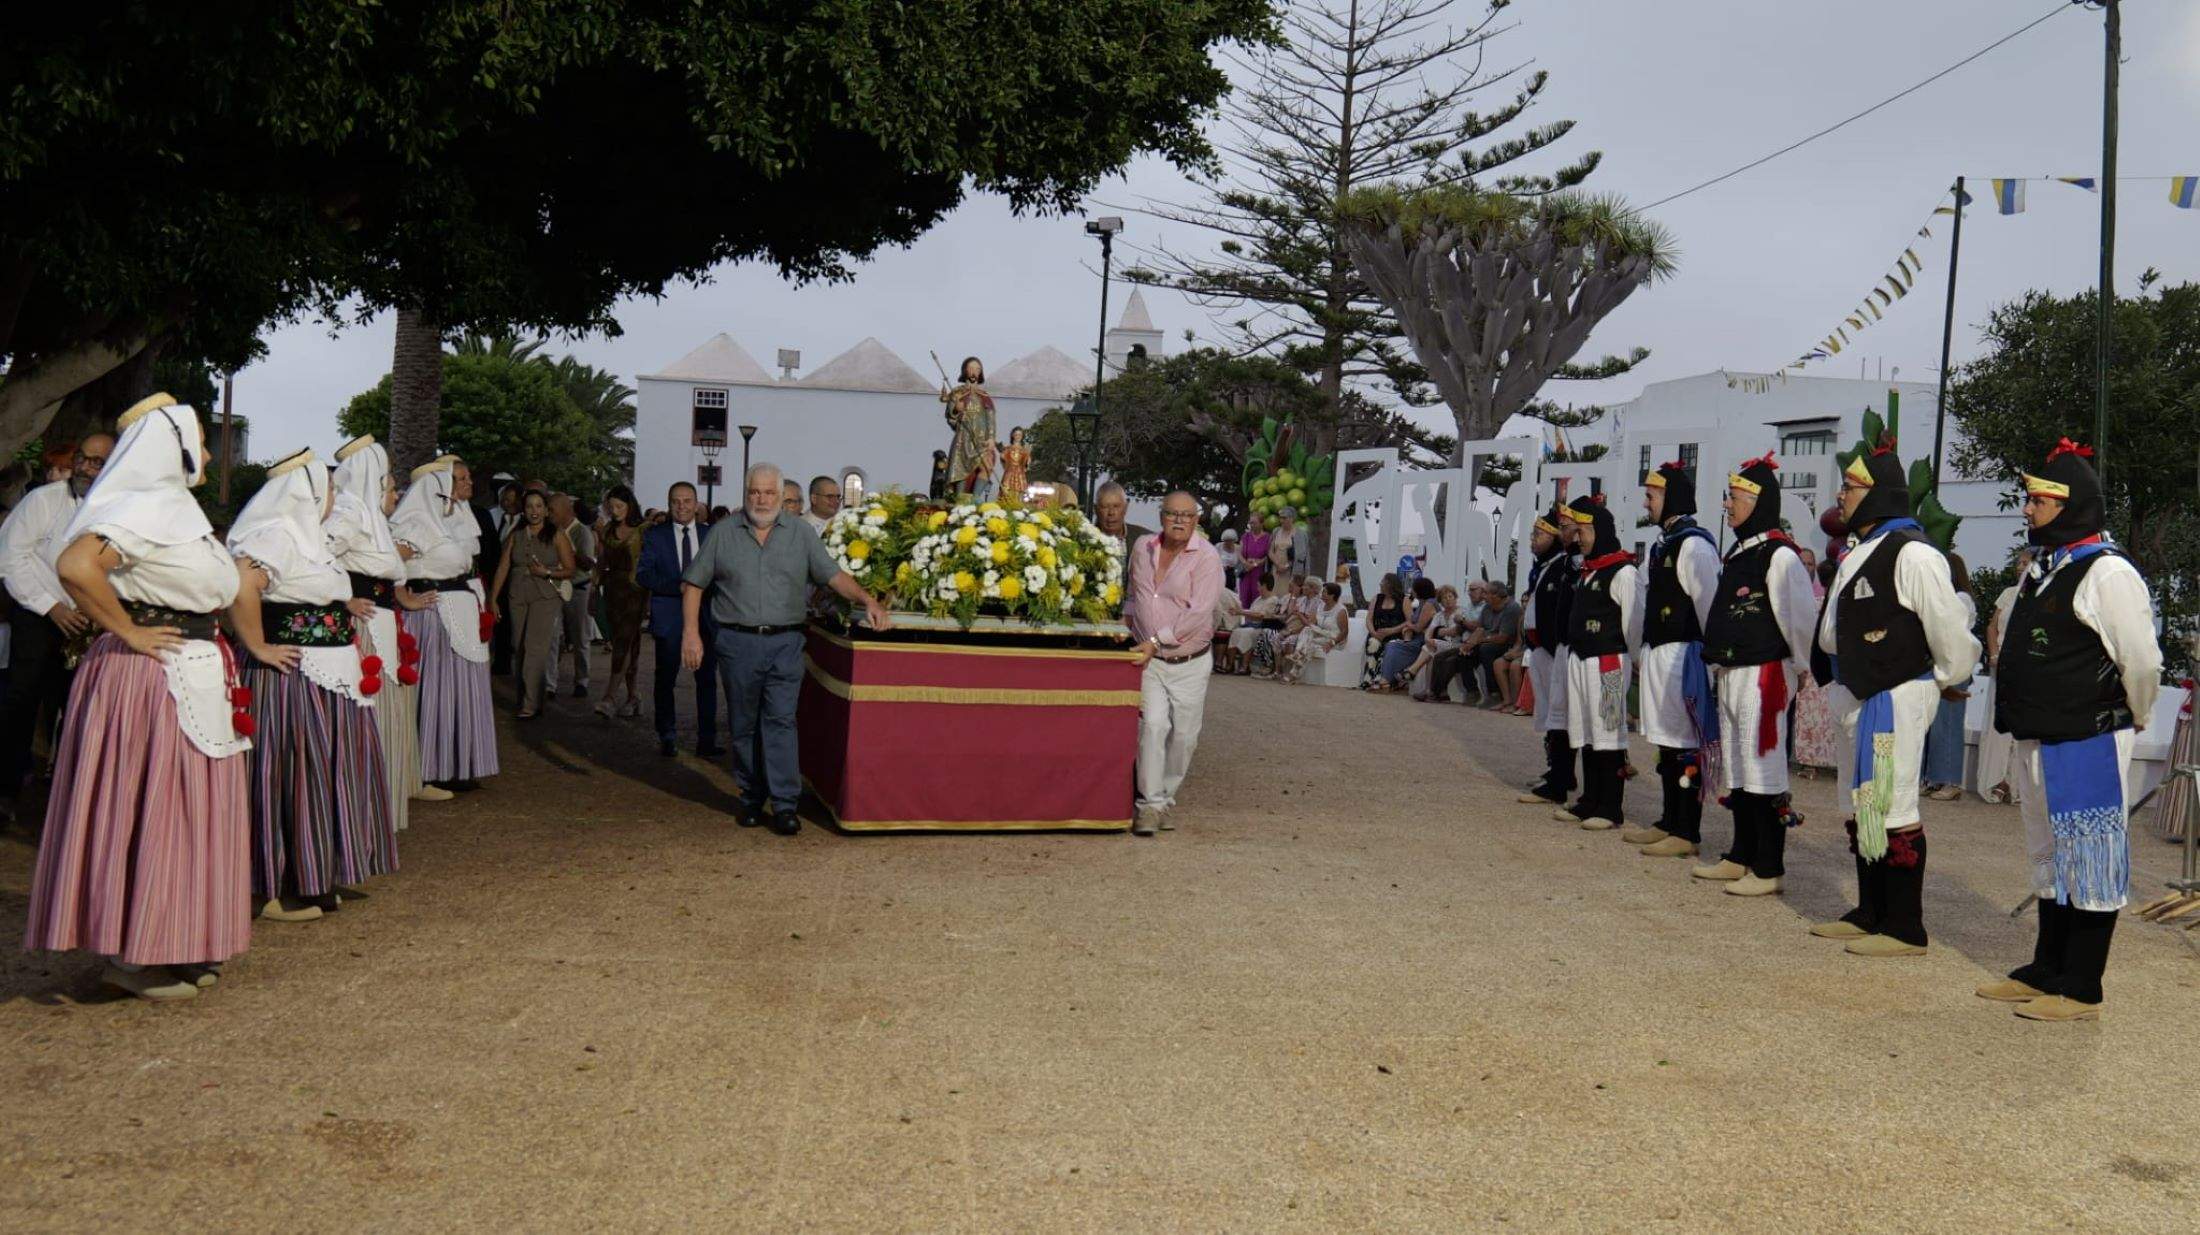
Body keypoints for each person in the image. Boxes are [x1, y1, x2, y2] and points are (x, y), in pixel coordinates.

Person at [24, 396, 251, 1000]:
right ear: (171, 447)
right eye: (200, 441)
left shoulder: (176, 509)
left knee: (184, 809)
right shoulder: (144, 505)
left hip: (188, 671)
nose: (206, 453)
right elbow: (77, 565)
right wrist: (125, 629)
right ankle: (131, 955)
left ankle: (171, 942)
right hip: (152, 678)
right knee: (155, 808)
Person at [1979, 439, 2159, 1021]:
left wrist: (2134, 714)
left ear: (2072, 505)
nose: (2027, 511)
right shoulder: (2045, 570)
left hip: (2087, 737)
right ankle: (2047, 966)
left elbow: (2142, 659)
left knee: (2091, 858)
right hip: (2040, 737)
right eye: (2029, 500)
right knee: (2051, 857)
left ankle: (2082, 985)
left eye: (2038, 502)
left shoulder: (2108, 572)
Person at [1806, 446, 1979, 954]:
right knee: (1861, 803)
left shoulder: (1914, 553)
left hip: (1895, 696)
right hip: (1859, 692)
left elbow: (1948, 631)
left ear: (1877, 494)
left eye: (1851, 488)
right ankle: (1869, 911)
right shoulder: (1861, 547)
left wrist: (1937, 678)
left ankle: (1905, 926)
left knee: (1892, 804)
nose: (1841, 494)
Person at [229, 449, 396, 919]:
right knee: (295, 773)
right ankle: (281, 883)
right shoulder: (277, 535)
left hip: (330, 673)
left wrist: (342, 610)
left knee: (321, 773)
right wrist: (258, 645)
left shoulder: (308, 539)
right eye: (330, 489)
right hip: (295, 675)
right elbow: (243, 583)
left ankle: (314, 872)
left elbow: (311, 590)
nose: (336, 497)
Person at [680, 463, 889, 834]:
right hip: (737, 643)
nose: (761, 500)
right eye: (754, 492)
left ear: (781, 496)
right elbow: (695, 583)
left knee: (780, 721)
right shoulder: (724, 533)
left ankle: (784, 804)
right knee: (744, 724)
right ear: (746, 493)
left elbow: (832, 575)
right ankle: (750, 797)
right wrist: (691, 634)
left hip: (786, 644)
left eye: (768, 493)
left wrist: (868, 600)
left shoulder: (801, 534)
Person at [1687, 453, 1815, 874]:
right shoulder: (1738, 554)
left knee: (1765, 767)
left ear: (1758, 502)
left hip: (1763, 675)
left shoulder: (1780, 557)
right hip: (1730, 673)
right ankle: (1740, 853)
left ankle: (1768, 866)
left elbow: (1799, 621)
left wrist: (1794, 671)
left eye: (1734, 497)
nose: (1726, 505)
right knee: (1740, 768)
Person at [0, 432, 111, 819]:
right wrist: (52, 608)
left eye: (96, 462)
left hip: (90, 624)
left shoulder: (117, 509)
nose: (83, 467)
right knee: (21, 701)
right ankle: (6, 792)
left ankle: (68, 801)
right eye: (82, 457)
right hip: (38, 616)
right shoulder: (41, 500)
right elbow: (10, 556)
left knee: (80, 709)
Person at [329, 435, 432, 834]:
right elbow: (320, 560)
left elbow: (386, 572)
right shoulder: (348, 516)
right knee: (372, 711)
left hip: (384, 622)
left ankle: (383, 804)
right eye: (387, 480)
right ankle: (366, 809)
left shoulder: (370, 518)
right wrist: (343, 600)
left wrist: (403, 599)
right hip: (365, 627)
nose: (392, 488)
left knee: (391, 709)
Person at [1622, 461, 1720, 854]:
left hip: (1685, 654)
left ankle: (1687, 833)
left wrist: (1710, 662)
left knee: (1684, 743)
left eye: (1652, 496)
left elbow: (1709, 605)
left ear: (1672, 497)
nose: (1646, 503)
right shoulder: (1664, 542)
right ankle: (1668, 819)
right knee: (1666, 742)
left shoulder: (1694, 544)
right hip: (1662, 653)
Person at [390, 457, 499, 792]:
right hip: (435, 615)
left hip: (462, 608)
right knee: (438, 690)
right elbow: (391, 560)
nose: (468, 484)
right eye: (461, 479)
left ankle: (459, 764)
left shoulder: (456, 521)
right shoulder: (419, 522)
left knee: (462, 689)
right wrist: (404, 596)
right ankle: (430, 767)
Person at [1125, 492, 1224, 835]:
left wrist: (1155, 641)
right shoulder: (1142, 548)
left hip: (1189, 662)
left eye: (1186, 515)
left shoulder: (1208, 558)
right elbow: (1135, 595)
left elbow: (1198, 614)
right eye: (1172, 514)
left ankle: (1165, 798)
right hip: (1148, 660)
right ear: (1161, 516)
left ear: (1196, 519)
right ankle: (1149, 806)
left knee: (1183, 737)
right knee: (1152, 726)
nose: (1179, 520)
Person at [1555, 495, 1641, 830]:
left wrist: (1632, 659)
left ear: (1600, 529)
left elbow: (1633, 623)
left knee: (1608, 731)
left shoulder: (1624, 572)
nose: (1579, 537)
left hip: (1608, 664)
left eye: (1585, 530)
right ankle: (1589, 800)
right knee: (1588, 730)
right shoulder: (1588, 570)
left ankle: (1610, 806)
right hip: (1581, 661)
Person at [638, 482, 720, 758]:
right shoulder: (655, 536)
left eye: (687, 501)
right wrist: (680, 586)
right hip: (670, 617)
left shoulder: (711, 534)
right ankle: (667, 735)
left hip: (706, 619)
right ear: (669, 503)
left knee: (707, 681)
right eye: (676, 501)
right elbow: (644, 574)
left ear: (696, 504)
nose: (682, 506)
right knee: (666, 679)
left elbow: (722, 573)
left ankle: (706, 740)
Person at [488, 490, 577, 719]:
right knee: (519, 647)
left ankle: (530, 703)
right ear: (524, 509)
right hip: (517, 595)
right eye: (529, 506)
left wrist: (546, 571)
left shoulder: (557, 535)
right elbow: (502, 567)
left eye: (539, 506)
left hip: (545, 597)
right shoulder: (515, 535)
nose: (534, 511)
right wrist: (493, 598)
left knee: (535, 649)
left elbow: (570, 569)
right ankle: (528, 698)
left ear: (546, 510)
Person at [1516, 506, 1580, 805]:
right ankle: (1556, 770)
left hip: (1555, 650)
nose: (1532, 539)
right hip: (1539, 649)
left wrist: (1555, 647)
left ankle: (1561, 777)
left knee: (1560, 714)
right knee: (1548, 712)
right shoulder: (1544, 565)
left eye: (1538, 533)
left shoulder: (1562, 564)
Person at [1972, 547, 2032, 803]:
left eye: (2025, 562)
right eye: (2018, 562)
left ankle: (2016, 782)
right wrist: (1994, 655)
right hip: (2003, 667)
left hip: (2029, 669)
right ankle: (1996, 779)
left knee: (2023, 726)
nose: (2020, 566)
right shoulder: (2008, 594)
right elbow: (1992, 626)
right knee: (1999, 724)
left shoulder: (2042, 595)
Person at [1919, 552, 1977, 800]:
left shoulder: (1961, 598)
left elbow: (1948, 628)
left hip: (1954, 664)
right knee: (1933, 723)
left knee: (1949, 723)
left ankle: (1950, 780)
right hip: (1937, 662)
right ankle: (1933, 777)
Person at [592, 485, 648, 719]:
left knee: (623, 642)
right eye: (611, 506)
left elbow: (647, 562)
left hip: (636, 591)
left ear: (630, 505)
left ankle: (609, 696)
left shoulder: (643, 529)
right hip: (613, 590)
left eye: (619, 506)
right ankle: (633, 696)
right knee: (626, 645)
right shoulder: (606, 530)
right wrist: (595, 588)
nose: (615, 511)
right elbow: (601, 562)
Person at [545, 493, 595, 700]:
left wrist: (567, 551)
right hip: (555, 589)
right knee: (552, 638)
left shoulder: (582, 532)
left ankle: (582, 680)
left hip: (577, 589)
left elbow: (588, 563)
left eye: (552, 511)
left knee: (580, 637)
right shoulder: (550, 531)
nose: (549, 515)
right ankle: (550, 684)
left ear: (566, 510)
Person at [940, 356, 996, 496]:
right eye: (971, 368)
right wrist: (956, 410)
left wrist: (991, 438)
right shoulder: (957, 393)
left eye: (977, 369)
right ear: (965, 371)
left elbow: (991, 418)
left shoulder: (984, 396)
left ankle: (976, 498)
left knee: (986, 466)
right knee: (961, 469)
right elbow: (950, 418)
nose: (974, 372)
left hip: (982, 439)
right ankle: (959, 500)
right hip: (963, 438)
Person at [1279, 583, 1349, 685]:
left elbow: (1344, 632)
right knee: (1307, 630)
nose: (1322, 593)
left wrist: (1332, 643)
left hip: (1334, 638)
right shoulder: (1321, 606)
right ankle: (1297, 658)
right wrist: (1298, 614)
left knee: (1309, 644)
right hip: (1321, 634)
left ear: (1332, 595)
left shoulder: (1340, 610)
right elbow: (1310, 624)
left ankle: (1293, 673)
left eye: (1324, 592)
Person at [1360, 572, 1408, 688]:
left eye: (1382, 582)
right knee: (1373, 644)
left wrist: (1391, 631)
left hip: (1394, 633)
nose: (1380, 584)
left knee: (1388, 647)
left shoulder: (1404, 600)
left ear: (1390, 585)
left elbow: (1409, 621)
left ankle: (1381, 681)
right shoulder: (1377, 598)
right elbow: (1369, 619)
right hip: (1377, 633)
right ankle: (1368, 679)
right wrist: (1373, 633)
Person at [1236, 520, 1272, 610]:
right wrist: (1245, 563)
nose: (1252, 525)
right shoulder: (1245, 536)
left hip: (1259, 573)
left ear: (1261, 523)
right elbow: (1239, 553)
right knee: (1244, 597)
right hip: (1246, 572)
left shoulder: (1268, 538)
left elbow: (1268, 555)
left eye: (1254, 523)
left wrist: (1256, 563)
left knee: (1257, 596)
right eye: (1250, 523)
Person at [998, 427, 1031, 503]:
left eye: (1020, 435)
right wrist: (1002, 456)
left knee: (1018, 496)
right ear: (1013, 435)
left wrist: (1028, 460)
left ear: (1022, 436)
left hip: (1020, 475)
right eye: (1016, 434)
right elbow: (1003, 460)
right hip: (1009, 474)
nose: (1018, 436)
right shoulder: (1007, 449)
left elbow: (1026, 464)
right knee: (1006, 493)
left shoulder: (1025, 450)